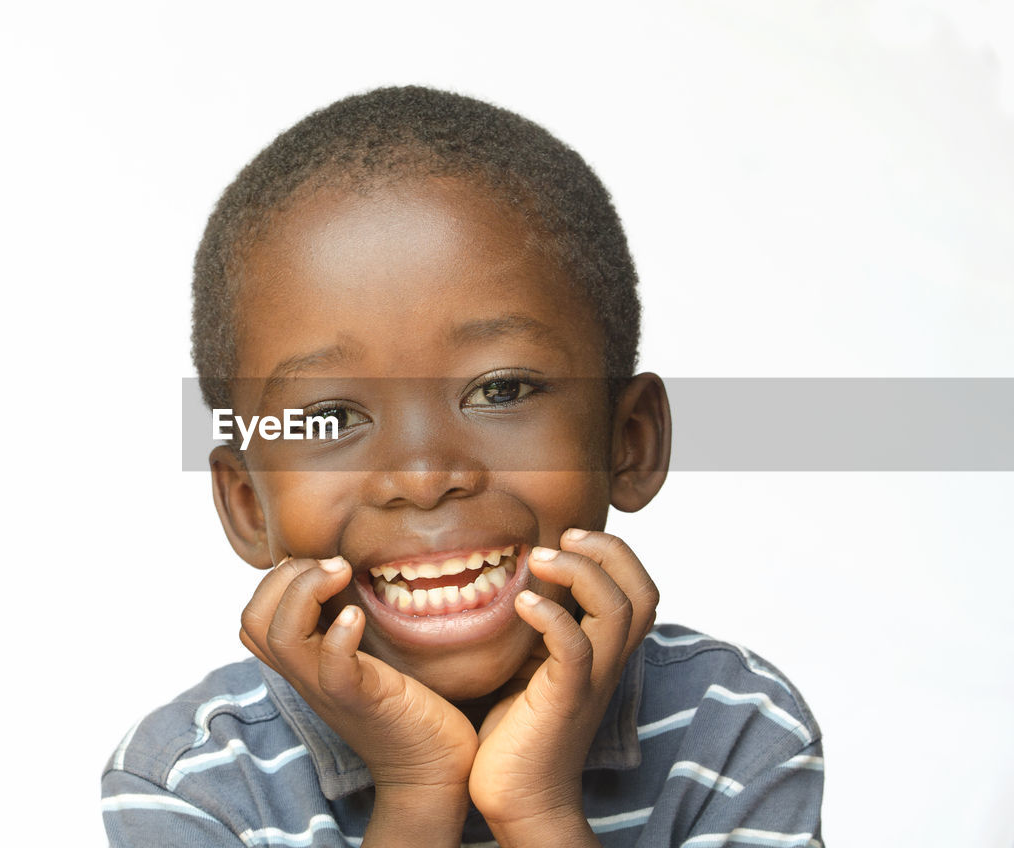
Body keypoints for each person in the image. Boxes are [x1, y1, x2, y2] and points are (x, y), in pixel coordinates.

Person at [102, 86, 823, 848]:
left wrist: (536, 808)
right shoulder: (195, 781)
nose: (422, 474)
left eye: (499, 390)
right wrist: (418, 794)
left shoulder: (734, 730)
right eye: (333, 419)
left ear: (630, 441)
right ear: (247, 504)